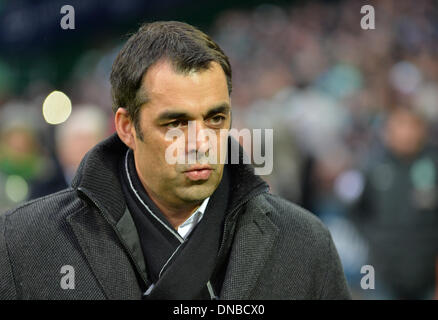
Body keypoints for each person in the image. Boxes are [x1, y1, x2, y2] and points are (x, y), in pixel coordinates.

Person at [0, 21, 350, 300]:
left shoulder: (304, 244)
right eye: (175, 123)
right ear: (126, 126)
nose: (201, 143)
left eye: (215, 119)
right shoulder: (23, 245)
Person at [352, 107, 438, 299]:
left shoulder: (433, 163)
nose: (405, 132)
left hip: (427, 273)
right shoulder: (372, 165)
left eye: (412, 126)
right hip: (383, 272)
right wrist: (376, 241)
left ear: (422, 130)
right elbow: (357, 211)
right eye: (399, 126)